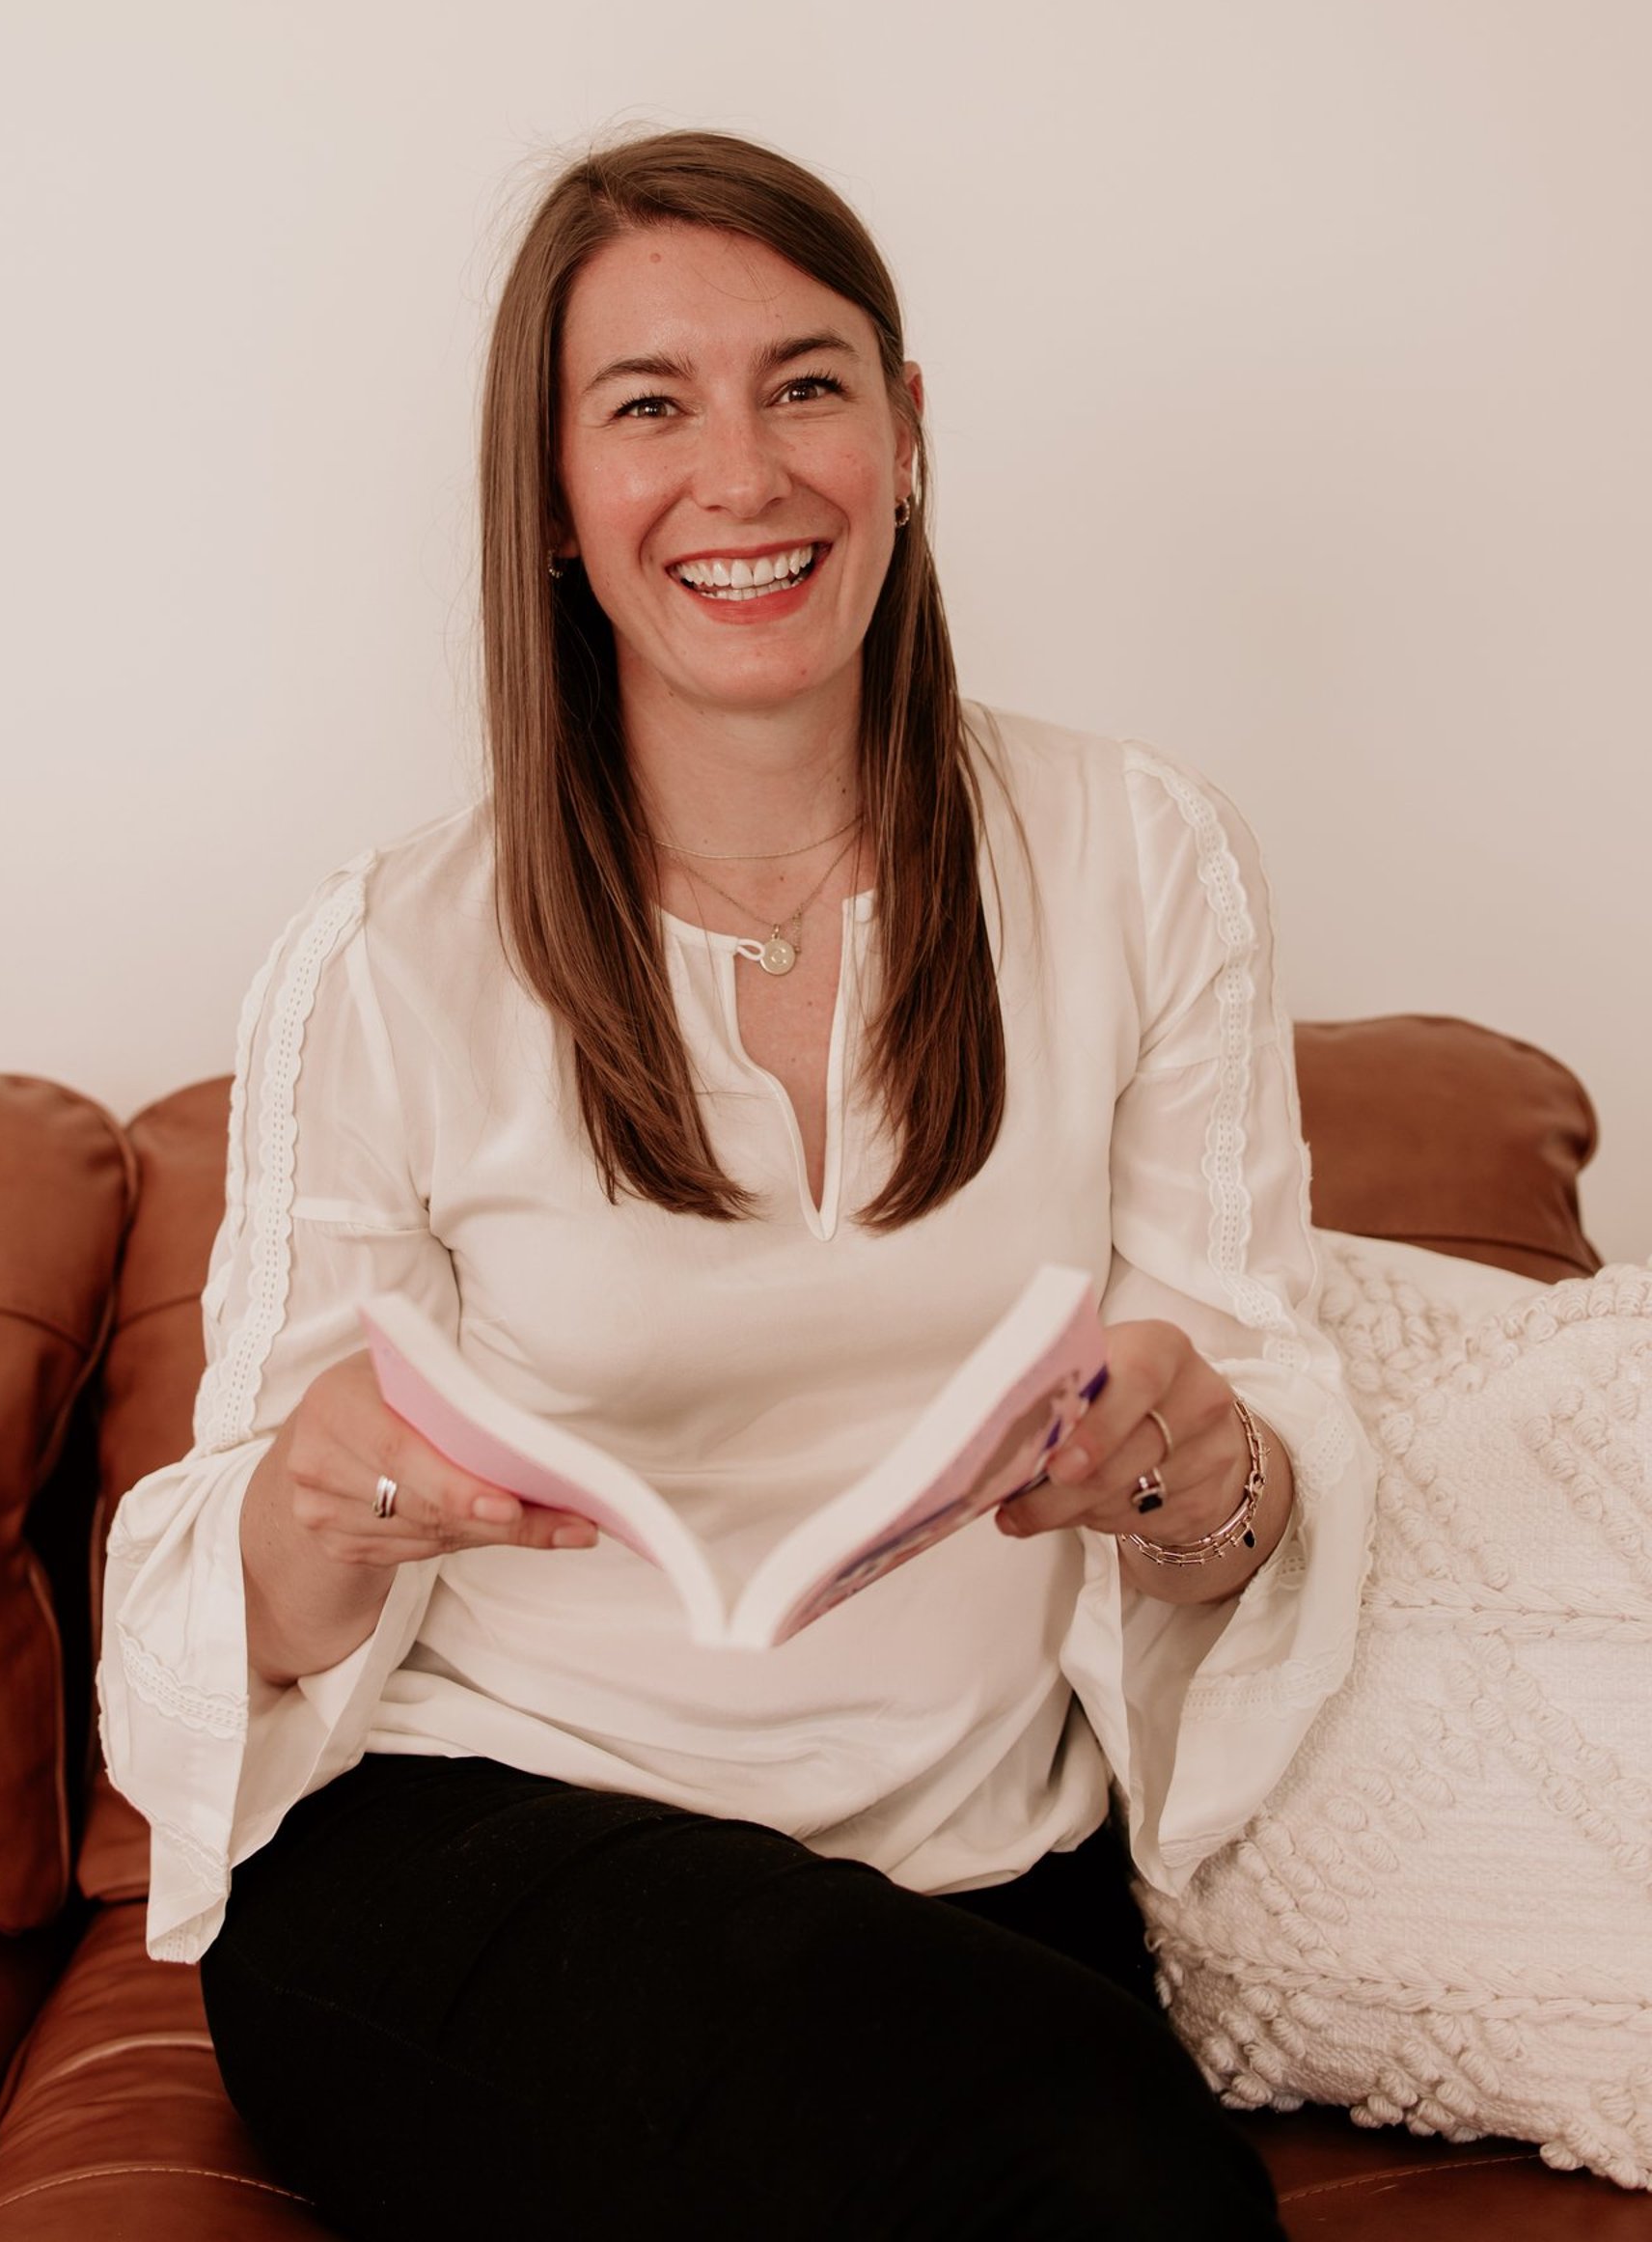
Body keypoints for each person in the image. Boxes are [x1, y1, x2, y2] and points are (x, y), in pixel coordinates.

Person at [99, 130, 1375, 2240]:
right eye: (648, 407)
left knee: (1044, 2135)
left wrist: (1202, 1474)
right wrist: (315, 1511)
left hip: (976, 1875)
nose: (745, 474)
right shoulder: (388, 958)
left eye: (805, 385)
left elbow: (1251, 1486)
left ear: (907, 434)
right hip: (480, 1845)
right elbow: (224, 1610)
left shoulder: (1144, 863)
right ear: (551, 498)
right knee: (1097, 2165)